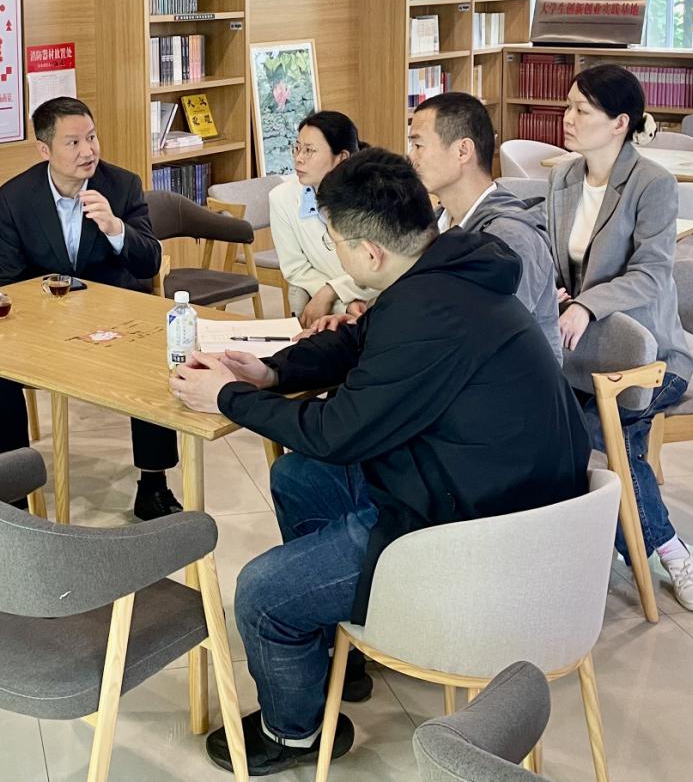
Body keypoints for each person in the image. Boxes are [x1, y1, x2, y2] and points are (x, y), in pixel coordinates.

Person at [170, 150, 590, 776]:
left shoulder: (428, 313)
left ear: (370, 253)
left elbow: (337, 433)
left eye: (335, 242)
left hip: (476, 536)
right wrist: (271, 372)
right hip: (491, 491)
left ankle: (294, 732)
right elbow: (359, 341)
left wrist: (228, 396)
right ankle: (342, 634)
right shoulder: (451, 270)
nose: (335, 255)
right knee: (297, 477)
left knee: (260, 594)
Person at [548, 63, 693, 612]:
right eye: (568, 105)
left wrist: (587, 304)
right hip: (580, 355)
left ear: (620, 123)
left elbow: (652, 273)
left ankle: (667, 552)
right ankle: (625, 545)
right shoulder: (562, 179)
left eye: (581, 110)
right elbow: (553, 257)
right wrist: (556, 290)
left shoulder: (652, 183)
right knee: (551, 430)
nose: (567, 118)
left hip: (652, 356)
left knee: (604, 434)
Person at [0, 96, 181, 519]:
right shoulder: (16, 197)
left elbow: (149, 263)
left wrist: (115, 227)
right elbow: (5, 281)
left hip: (117, 322)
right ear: (45, 150)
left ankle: (154, 483)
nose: (88, 151)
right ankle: (6, 488)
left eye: (91, 138)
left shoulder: (122, 185)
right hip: (46, 324)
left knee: (153, 359)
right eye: (73, 143)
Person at [407, 92, 561, 360]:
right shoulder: (436, 221)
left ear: (462, 151)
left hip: (506, 378)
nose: (411, 157)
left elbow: (488, 341)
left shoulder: (510, 238)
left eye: (418, 145)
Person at [266, 111, 379, 325]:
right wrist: (341, 302)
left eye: (309, 150)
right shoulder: (282, 199)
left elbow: (385, 267)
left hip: (380, 299)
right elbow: (296, 269)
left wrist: (332, 291)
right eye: (297, 148)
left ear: (342, 158)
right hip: (338, 305)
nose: (299, 158)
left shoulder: (374, 196)